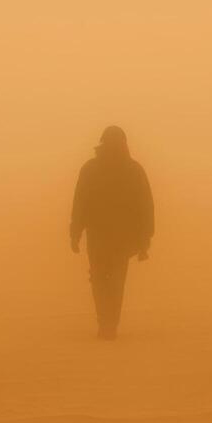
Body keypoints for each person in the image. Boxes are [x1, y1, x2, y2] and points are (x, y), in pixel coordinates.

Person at [70, 126, 154, 340]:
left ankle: (105, 323)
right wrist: (145, 239)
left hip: (99, 237)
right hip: (120, 238)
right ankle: (110, 324)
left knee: (100, 280)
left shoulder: (91, 169)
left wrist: (75, 232)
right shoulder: (133, 169)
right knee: (115, 280)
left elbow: (80, 202)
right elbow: (146, 206)